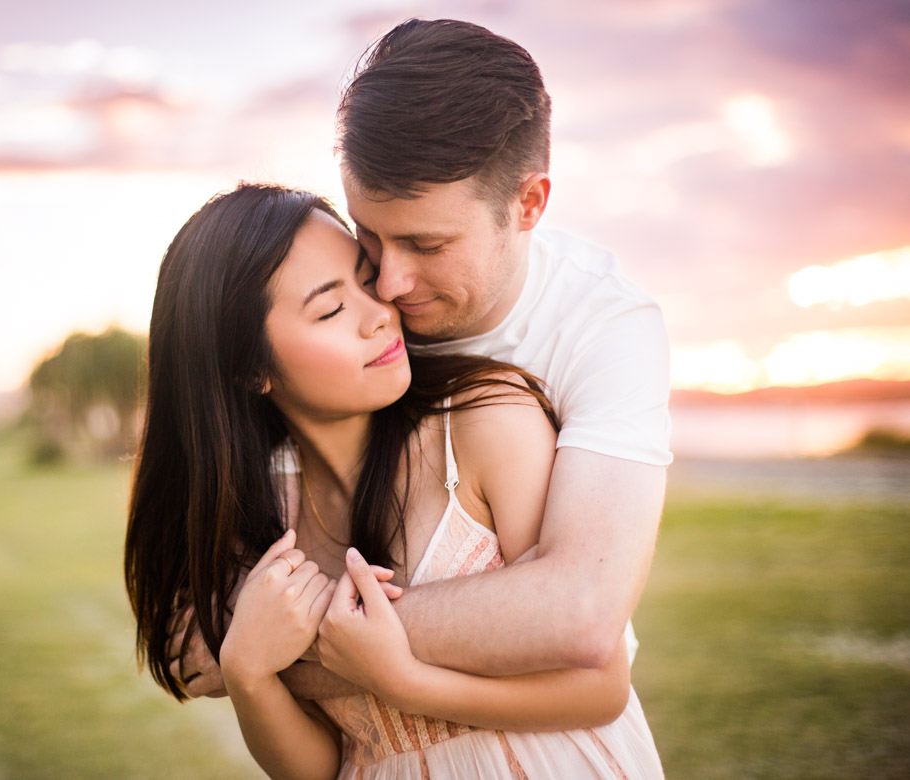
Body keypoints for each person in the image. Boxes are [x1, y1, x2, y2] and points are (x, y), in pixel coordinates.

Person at [175, 17, 672, 701]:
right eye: (368, 237)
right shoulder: (354, 313)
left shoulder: (605, 327)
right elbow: (185, 626)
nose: (387, 286)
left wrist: (268, 645)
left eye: (428, 245)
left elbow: (580, 611)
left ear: (528, 204)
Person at [125, 182, 664, 777]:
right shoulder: (270, 525)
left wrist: (402, 680)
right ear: (251, 368)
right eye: (330, 309)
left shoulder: (485, 422)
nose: (380, 313)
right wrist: (250, 674)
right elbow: (325, 767)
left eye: (366, 279)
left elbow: (602, 687)